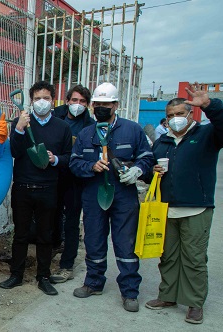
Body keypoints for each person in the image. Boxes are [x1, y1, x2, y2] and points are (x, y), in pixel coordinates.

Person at [144, 84, 223, 324]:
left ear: (191, 114)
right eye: (170, 116)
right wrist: (152, 171)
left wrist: (211, 105)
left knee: (194, 257)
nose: (175, 119)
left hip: (196, 208)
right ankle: (168, 295)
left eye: (180, 114)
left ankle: (194, 302)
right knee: (168, 255)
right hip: (167, 208)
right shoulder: (163, 143)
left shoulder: (207, 135)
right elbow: (149, 175)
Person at [69, 82, 154, 312]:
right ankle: (94, 282)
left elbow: (147, 157)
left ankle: (129, 291)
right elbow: (74, 163)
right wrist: (91, 166)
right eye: (98, 104)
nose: (101, 108)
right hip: (95, 194)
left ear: (116, 105)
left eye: (107, 104)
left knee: (125, 243)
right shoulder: (86, 134)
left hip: (123, 195)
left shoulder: (132, 130)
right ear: (93, 105)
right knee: (94, 241)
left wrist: (137, 170)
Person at [0, 81, 72, 296]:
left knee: (45, 235)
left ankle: (43, 276)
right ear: (31, 101)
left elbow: (69, 157)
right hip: (22, 187)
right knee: (20, 234)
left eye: (46, 98)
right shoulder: (21, 123)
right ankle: (16, 274)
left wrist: (55, 159)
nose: (42, 102)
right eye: (38, 98)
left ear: (53, 101)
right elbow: (14, 152)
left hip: (49, 188)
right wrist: (19, 128)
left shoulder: (62, 127)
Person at [50, 84, 94, 284]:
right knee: (52, 215)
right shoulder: (55, 116)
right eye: (74, 100)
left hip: (75, 178)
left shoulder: (89, 125)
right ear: (67, 101)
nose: (78, 105)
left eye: (82, 102)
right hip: (52, 175)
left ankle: (67, 264)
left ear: (88, 105)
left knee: (72, 221)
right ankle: (53, 247)